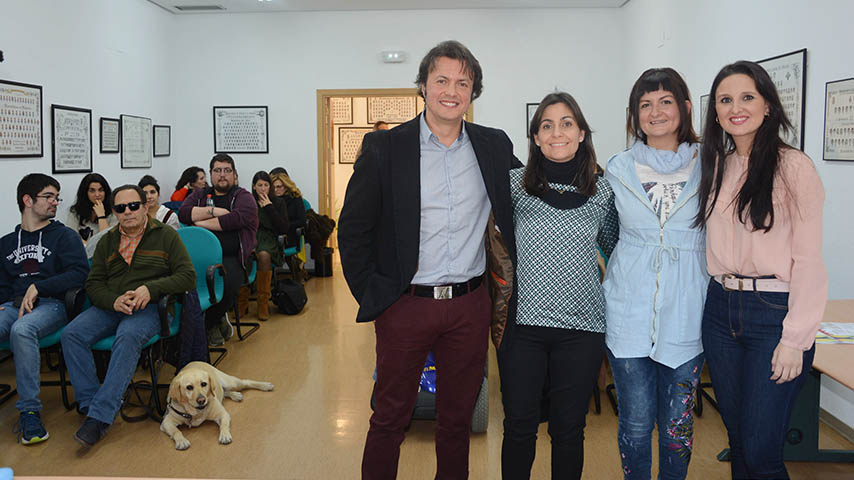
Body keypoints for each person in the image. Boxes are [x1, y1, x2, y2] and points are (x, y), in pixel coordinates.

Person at [338, 40, 520, 479]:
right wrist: (378, 295)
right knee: (389, 418)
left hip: (469, 306)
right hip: (406, 305)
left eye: (463, 82)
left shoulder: (493, 146)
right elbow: (353, 230)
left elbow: (528, 195)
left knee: (456, 422)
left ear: (473, 91)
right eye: (441, 80)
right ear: (423, 85)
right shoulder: (385, 148)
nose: (451, 91)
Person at [695, 60, 827, 479]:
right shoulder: (717, 165)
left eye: (747, 97)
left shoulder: (794, 167)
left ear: (767, 105)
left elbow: (809, 261)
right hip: (720, 310)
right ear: (715, 112)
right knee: (739, 442)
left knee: (761, 452)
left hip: (774, 315)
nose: (736, 108)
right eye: (725, 100)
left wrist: (795, 340)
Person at [499, 92, 617, 480]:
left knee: (569, 431)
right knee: (519, 427)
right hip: (523, 329)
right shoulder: (514, 186)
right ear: (535, 137)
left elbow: (616, 248)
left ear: (581, 133)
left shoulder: (604, 191)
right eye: (546, 126)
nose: (557, 133)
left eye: (567, 123)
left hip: (582, 330)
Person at [603, 68, 706, 480]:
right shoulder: (618, 167)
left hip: (687, 311)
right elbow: (606, 232)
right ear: (634, 114)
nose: (655, 112)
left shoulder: (712, 164)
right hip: (627, 312)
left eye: (665, 101)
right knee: (635, 423)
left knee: (677, 427)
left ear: (685, 107)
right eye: (645, 104)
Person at [62, 185, 195, 447]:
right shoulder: (106, 241)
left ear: (145, 207)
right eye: (121, 208)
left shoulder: (166, 235)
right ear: (114, 212)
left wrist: (150, 289)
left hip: (151, 307)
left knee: (128, 334)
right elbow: (94, 284)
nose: (128, 212)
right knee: (71, 334)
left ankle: (100, 417)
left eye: (134, 206)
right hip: (113, 306)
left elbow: (187, 276)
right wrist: (113, 301)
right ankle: (91, 402)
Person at [0, 174, 88, 445]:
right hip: (12, 305)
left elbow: (80, 274)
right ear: (27, 200)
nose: (55, 202)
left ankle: (29, 412)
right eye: (48, 196)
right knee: (15, 323)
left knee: (22, 329)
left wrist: (40, 286)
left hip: (52, 305)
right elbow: (2, 285)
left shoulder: (64, 236)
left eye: (56, 197)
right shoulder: (6, 242)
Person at [179, 154, 258, 346]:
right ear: (211, 174)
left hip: (233, 257)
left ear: (234, 174)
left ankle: (209, 323)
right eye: (217, 170)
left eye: (227, 170)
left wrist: (199, 223)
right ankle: (212, 321)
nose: (222, 175)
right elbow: (183, 213)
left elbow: (234, 219)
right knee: (182, 285)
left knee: (226, 283)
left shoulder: (244, 197)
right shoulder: (199, 195)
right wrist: (213, 211)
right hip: (199, 259)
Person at [241, 171, 288, 320]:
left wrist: (269, 207)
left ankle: (263, 303)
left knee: (263, 255)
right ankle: (241, 301)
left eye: (266, 185)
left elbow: (283, 228)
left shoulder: (278, 202)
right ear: (254, 187)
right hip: (251, 235)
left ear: (270, 187)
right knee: (242, 253)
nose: (263, 189)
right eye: (259, 185)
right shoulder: (248, 201)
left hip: (268, 238)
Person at [66, 173, 116, 243]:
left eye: (100, 190)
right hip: (80, 248)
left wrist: (101, 216)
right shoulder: (75, 211)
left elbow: (107, 240)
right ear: (85, 193)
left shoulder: (114, 211)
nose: (97, 194)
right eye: (92, 191)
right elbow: (70, 236)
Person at [270, 171, 306, 251]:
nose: (275, 190)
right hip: (272, 235)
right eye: (273, 187)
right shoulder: (270, 200)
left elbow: (302, 220)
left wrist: (285, 226)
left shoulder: (295, 198)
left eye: (279, 187)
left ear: (286, 186)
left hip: (290, 234)